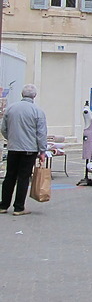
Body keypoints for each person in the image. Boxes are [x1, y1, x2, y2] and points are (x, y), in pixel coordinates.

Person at [0, 84, 48, 215]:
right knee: (23, 177)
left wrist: (10, 138)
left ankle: (3, 205)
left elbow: (3, 128)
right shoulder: (37, 111)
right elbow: (41, 133)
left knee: (10, 176)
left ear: (22, 94)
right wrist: (42, 151)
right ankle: (19, 207)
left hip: (13, 148)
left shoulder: (10, 109)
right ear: (34, 96)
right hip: (29, 149)